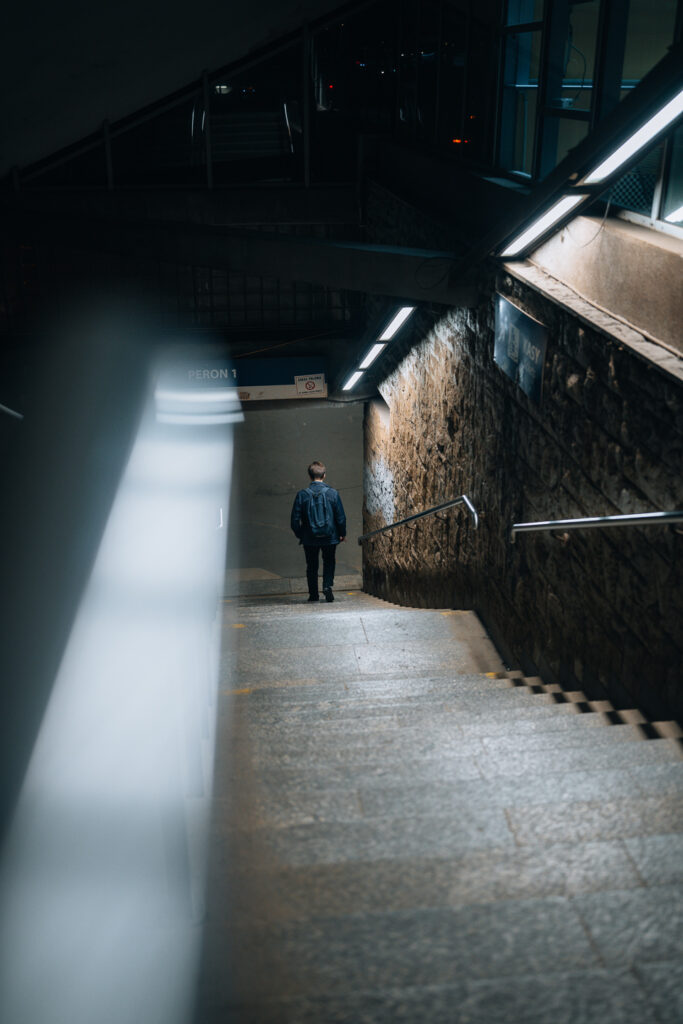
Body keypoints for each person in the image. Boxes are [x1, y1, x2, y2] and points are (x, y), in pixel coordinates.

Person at [290, 460, 346, 602]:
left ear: (309, 476)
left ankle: (313, 594)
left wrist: (301, 534)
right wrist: (342, 533)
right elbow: (340, 517)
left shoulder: (302, 495)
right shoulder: (333, 493)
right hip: (330, 536)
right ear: (324, 475)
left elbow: (294, 520)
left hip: (309, 538)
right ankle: (327, 586)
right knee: (329, 562)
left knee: (312, 565)